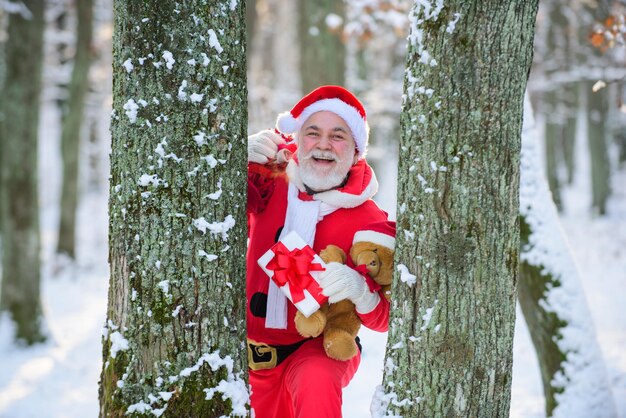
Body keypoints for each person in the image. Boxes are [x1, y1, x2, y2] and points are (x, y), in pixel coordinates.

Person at [247, 85, 394, 418]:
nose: (324, 144)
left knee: (317, 376)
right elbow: (212, 220)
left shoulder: (369, 219)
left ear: (356, 150)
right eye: (313, 133)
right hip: (244, 350)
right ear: (298, 140)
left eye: (338, 136)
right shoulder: (271, 179)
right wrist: (233, 164)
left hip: (315, 350)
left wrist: (362, 292)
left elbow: (387, 317)